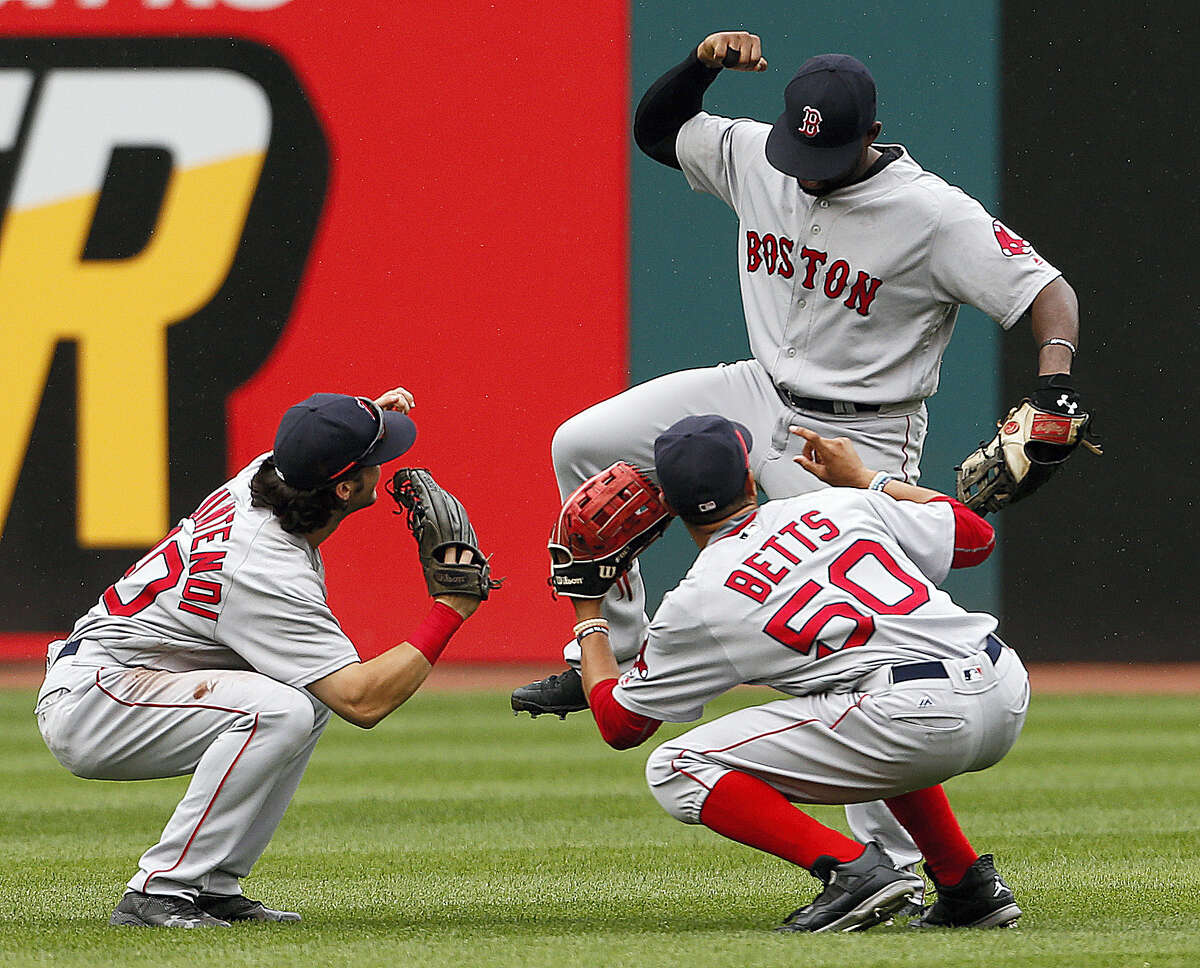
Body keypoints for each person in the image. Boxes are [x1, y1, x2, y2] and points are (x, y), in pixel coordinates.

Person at [512, 27, 1080, 878]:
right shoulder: (760, 155)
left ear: (867, 138)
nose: (809, 167)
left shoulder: (933, 214)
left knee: (854, 654)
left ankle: (900, 866)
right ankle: (620, 646)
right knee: (582, 442)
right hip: (758, 390)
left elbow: (1047, 291)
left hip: (864, 430)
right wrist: (699, 67)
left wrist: (1052, 390)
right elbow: (657, 130)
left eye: (829, 152)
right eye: (801, 148)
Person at [34, 387, 485, 928]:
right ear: (343, 488)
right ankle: (160, 889)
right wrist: (450, 609)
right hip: (97, 702)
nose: (387, 464)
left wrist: (363, 418)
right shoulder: (263, 566)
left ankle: (214, 882)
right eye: (375, 459)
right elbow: (364, 701)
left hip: (132, 673)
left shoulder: (266, 475)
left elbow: (308, 445)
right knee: (283, 709)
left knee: (306, 698)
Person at [567, 413, 1029, 932]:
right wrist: (869, 480)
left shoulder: (697, 601)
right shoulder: (837, 502)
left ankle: (854, 873)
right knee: (853, 696)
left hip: (913, 718)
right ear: (748, 478)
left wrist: (588, 610)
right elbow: (976, 536)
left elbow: (620, 724)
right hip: (1003, 681)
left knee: (675, 767)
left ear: (669, 509)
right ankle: (965, 887)